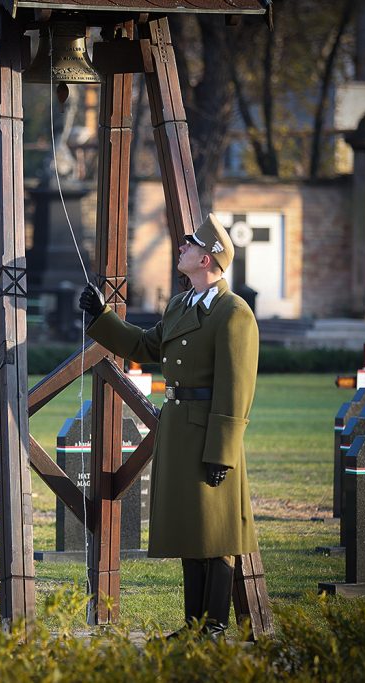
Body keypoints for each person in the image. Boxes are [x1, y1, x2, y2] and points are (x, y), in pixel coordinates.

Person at [78, 213, 259, 640]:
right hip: (178, 430)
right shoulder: (181, 305)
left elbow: (237, 389)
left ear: (208, 259)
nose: (182, 247)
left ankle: (213, 627)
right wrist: (101, 316)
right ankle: (194, 625)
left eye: (190, 244)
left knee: (216, 534)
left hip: (210, 433)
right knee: (190, 531)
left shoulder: (234, 313)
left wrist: (223, 451)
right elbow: (145, 347)